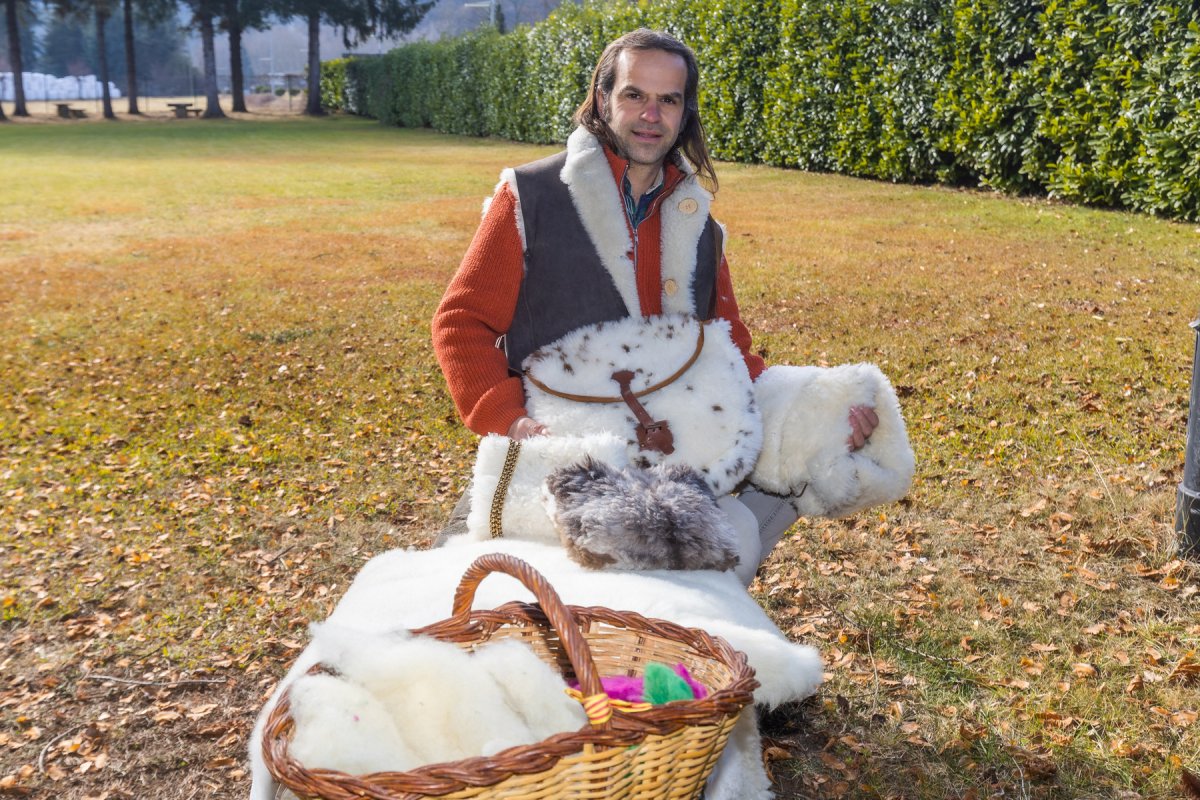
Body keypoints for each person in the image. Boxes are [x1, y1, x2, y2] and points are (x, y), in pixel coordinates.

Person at [431, 28, 877, 570]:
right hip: (557, 453)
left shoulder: (701, 230)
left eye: (668, 100)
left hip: (671, 465)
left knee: (660, 618)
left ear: (684, 112)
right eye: (634, 94)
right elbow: (461, 321)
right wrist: (511, 419)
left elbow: (731, 354)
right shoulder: (531, 197)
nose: (651, 114)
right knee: (457, 609)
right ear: (602, 99)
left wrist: (825, 413)